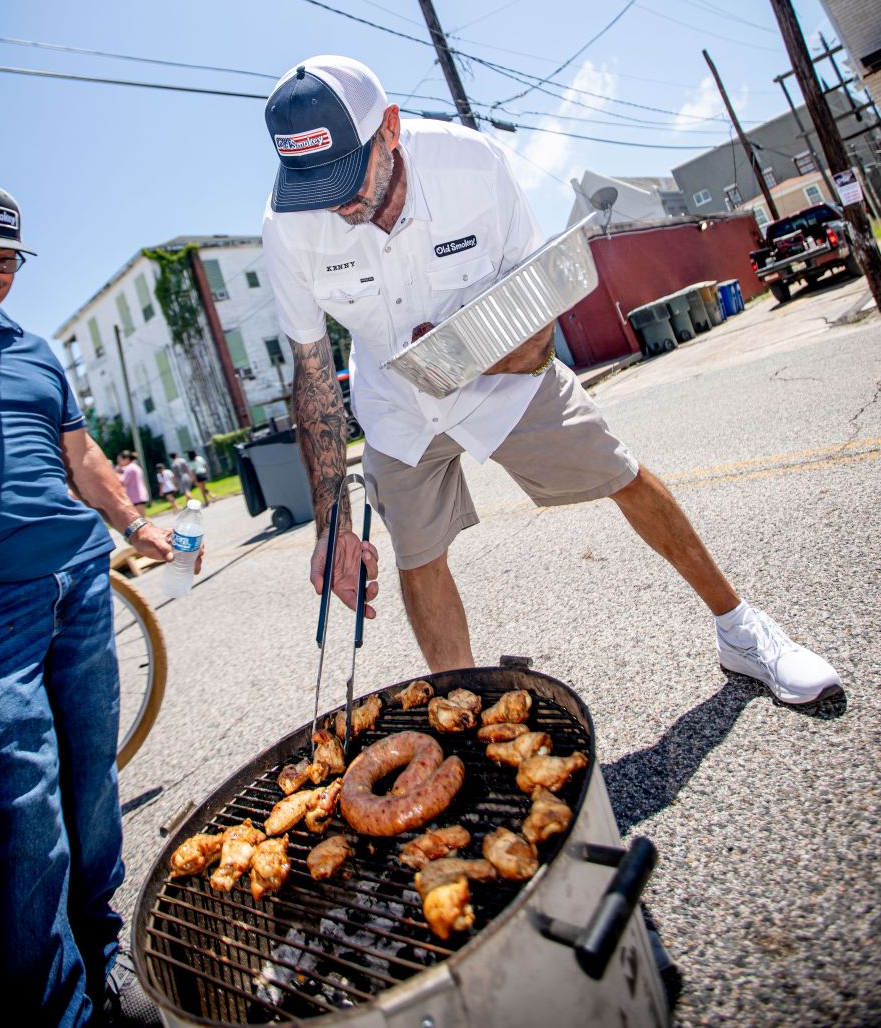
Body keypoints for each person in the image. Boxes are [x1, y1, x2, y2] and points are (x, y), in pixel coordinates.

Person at [260, 55, 841, 705]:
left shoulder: (472, 166)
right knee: (419, 555)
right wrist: (330, 521)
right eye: (314, 185)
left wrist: (463, 357)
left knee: (621, 474)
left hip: (505, 373)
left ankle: (742, 632)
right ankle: (466, 713)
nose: (335, 203)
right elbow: (312, 378)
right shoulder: (288, 228)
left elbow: (537, 340)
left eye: (344, 175)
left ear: (390, 128)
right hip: (395, 403)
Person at [0, 179, 203, 1026]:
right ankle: (40, 1011)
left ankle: (99, 956)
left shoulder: (32, 350)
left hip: (80, 583)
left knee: (90, 785)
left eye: (3, 261)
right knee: (21, 799)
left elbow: (82, 453)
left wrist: (135, 524)